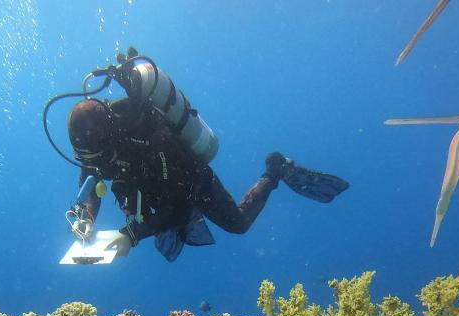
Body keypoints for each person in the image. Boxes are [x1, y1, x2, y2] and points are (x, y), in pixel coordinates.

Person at [64, 54, 349, 262]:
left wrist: (133, 234)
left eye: (101, 156)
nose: (98, 163)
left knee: (238, 224)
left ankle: (275, 171)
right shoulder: (95, 146)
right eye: (89, 158)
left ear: (113, 137)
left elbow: (177, 206)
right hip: (151, 190)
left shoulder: (152, 138)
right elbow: (89, 181)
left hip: (190, 180)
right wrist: (87, 216)